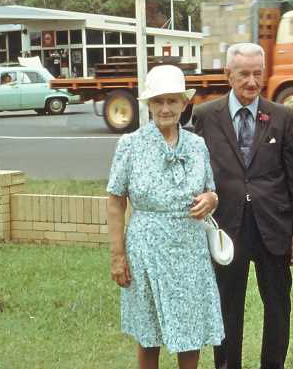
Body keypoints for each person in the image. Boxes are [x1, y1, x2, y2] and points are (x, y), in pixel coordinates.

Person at [193, 42, 293, 369]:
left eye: (258, 73)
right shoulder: (205, 116)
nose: (252, 82)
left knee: (278, 305)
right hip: (227, 226)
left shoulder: (282, 116)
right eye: (243, 74)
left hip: (274, 226)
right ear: (228, 74)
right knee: (227, 305)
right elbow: (196, 171)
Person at [107, 65, 223, 369]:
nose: (165, 108)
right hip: (146, 249)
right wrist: (117, 256)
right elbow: (116, 201)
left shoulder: (197, 145)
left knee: (191, 330)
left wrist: (211, 199)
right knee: (148, 334)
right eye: (158, 101)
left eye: (172, 101)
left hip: (189, 250)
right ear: (148, 104)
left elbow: (211, 191)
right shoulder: (131, 145)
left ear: (184, 104)